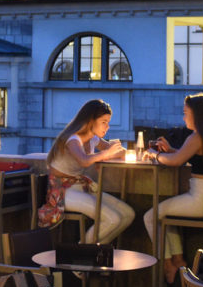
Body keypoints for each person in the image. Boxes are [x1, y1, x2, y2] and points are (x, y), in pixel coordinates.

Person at [143, 94, 203, 284]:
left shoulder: (197, 136)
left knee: (150, 216)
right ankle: (177, 259)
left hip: (199, 200)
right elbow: (185, 155)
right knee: (167, 217)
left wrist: (154, 155)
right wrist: (170, 150)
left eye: (186, 113)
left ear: (197, 115)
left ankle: (167, 263)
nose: (183, 118)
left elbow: (176, 162)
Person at [40, 100, 135, 243]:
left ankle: (95, 252)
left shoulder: (93, 139)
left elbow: (115, 151)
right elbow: (83, 160)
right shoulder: (73, 139)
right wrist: (106, 154)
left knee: (128, 214)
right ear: (91, 121)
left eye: (108, 122)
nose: (107, 127)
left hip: (80, 187)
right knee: (113, 219)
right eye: (104, 122)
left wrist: (143, 153)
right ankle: (82, 252)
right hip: (62, 191)